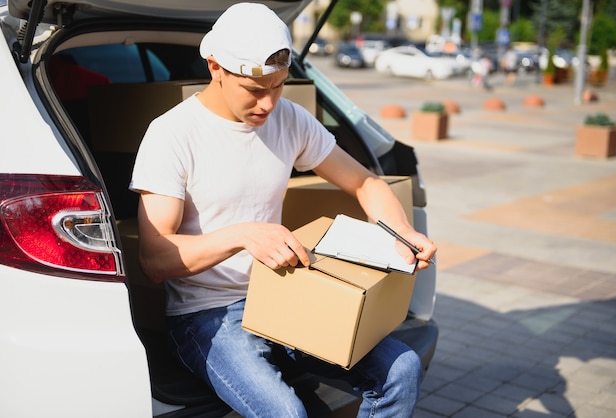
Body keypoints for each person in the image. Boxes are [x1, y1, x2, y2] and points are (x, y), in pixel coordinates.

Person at [130, 3, 437, 417]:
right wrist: (244, 234)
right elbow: (155, 258)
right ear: (215, 66)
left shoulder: (290, 118)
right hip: (204, 315)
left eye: (277, 87)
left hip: (281, 293)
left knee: (401, 369)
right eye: (255, 90)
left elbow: (367, 182)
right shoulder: (172, 134)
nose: (269, 104)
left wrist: (401, 232)